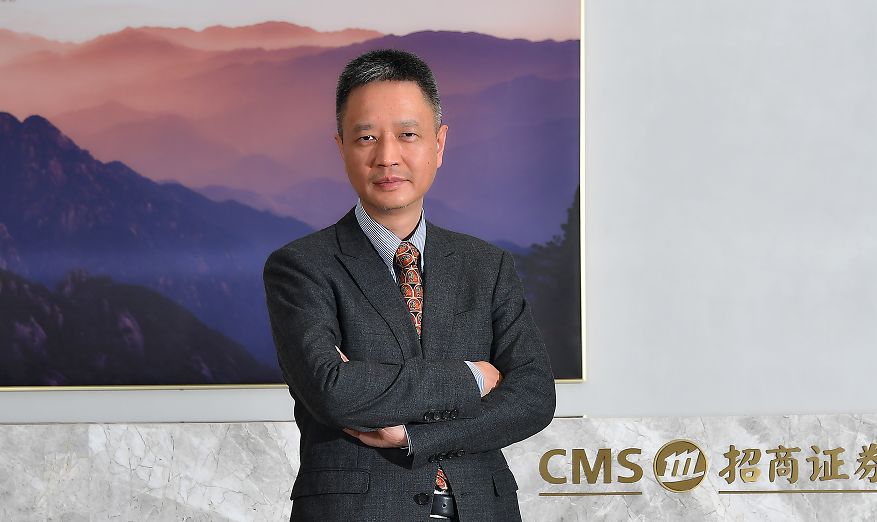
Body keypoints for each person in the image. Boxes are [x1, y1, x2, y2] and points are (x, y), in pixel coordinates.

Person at [264, 48, 555, 521]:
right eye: (366, 137)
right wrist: (473, 377)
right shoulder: (300, 267)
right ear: (341, 147)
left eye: (408, 135)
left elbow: (534, 397)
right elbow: (334, 391)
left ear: (439, 144)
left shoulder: (487, 265)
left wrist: (414, 435)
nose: (387, 157)